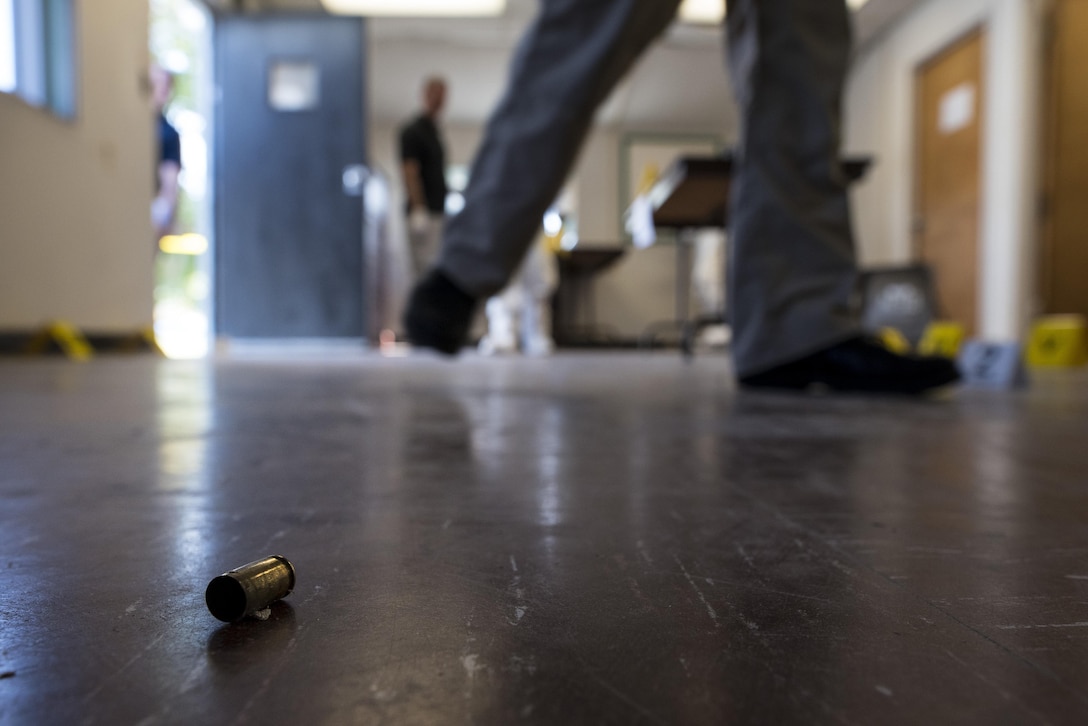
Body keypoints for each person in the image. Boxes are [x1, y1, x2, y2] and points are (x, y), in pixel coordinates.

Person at [404, 0, 960, 395]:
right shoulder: (415, 131)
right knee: (585, 32)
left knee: (802, 59)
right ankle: (463, 268)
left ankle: (797, 326)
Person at [399, 76, 449, 278]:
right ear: (425, 95)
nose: (439, 101)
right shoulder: (413, 132)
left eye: (442, 96)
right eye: (435, 94)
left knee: (436, 268)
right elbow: (410, 171)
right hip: (424, 214)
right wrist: (419, 209)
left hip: (438, 212)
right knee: (425, 273)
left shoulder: (435, 133)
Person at [150, 64, 181, 240]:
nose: (162, 89)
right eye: (157, 83)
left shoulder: (168, 133)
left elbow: (170, 181)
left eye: (166, 85)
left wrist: (164, 216)